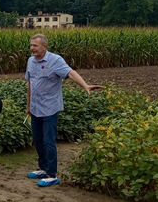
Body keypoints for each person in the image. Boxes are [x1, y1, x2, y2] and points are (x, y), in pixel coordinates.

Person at [26, 33, 102, 187]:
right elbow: (30, 84)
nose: (32, 48)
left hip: (49, 108)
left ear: (44, 46)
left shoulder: (55, 60)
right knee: (38, 139)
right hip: (35, 107)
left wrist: (85, 85)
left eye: (35, 45)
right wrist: (28, 105)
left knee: (48, 141)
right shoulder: (30, 61)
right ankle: (42, 167)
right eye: (31, 45)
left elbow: (70, 73)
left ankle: (52, 174)